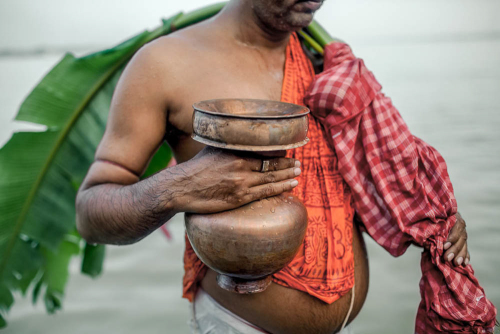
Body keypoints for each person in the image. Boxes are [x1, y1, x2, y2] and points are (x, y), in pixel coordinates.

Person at [75, 0, 470, 333]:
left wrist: (429, 217)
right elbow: (90, 214)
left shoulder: (328, 66)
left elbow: (360, 183)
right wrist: (178, 187)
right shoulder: (166, 64)